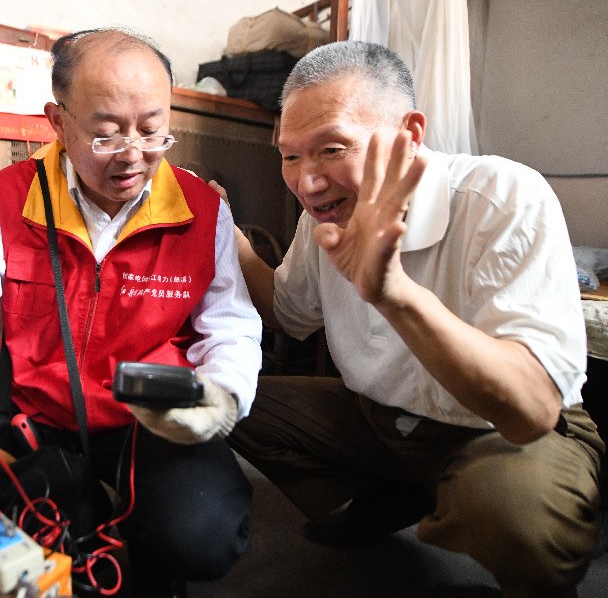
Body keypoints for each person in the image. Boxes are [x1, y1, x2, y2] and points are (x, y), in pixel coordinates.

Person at [0, 27, 262, 597]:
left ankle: (115, 533)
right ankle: (57, 504)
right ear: (58, 122)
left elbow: (231, 326)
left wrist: (223, 396)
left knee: (200, 534)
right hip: (31, 408)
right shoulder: (13, 194)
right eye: (106, 135)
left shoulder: (203, 210)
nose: (132, 155)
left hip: (148, 419)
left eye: (152, 131)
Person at [219, 40, 603, 598]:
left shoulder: (502, 197)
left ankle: (473, 516)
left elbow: (532, 409)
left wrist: (394, 293)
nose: (307, 182)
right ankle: (398, 492)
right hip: (379, 419)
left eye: (331, 149)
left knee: (518, 520)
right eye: (291, 156)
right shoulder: (323, 212)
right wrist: (226, 232)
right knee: (222, 399)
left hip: (495, 433)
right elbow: (285, 311)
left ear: (410, 133)